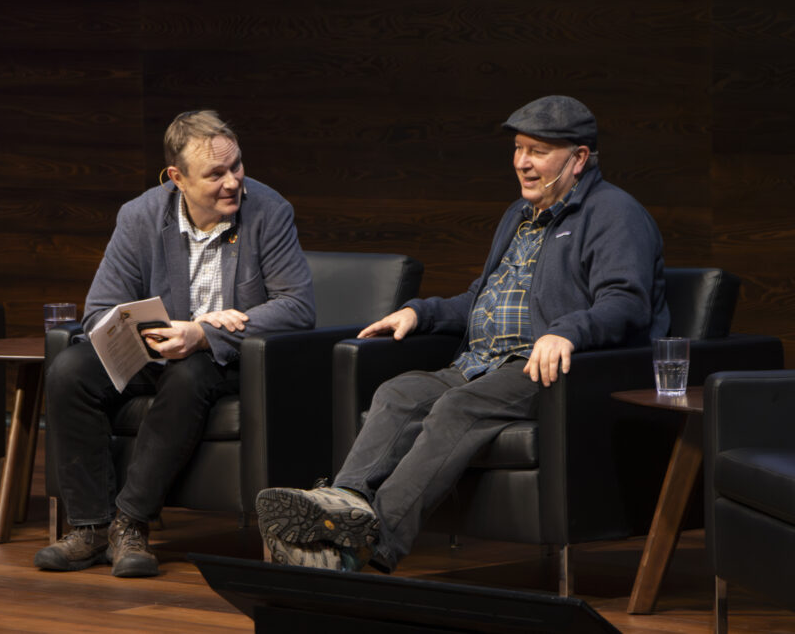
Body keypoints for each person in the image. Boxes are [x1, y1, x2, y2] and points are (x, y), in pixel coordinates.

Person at [255, 95, 669, 573]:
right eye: (518, 148)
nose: (522, 163)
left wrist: (567, 332)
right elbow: (482, 297)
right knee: (398, 392)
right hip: (482, 361)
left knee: (457, 407)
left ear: (578, 159)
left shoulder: (614, 214)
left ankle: (367, 545)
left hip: (550, 368)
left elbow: (626, 302)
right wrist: (419, 313)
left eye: (537, 151)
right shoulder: (519, 215)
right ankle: (341, 509)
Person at [36, 110, 315, 578]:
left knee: (188, 374)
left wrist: (205, 333)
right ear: (176, 178)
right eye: (215, 174)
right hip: (155, 349)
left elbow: (297, 308)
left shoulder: (270, 210)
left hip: (228, 357)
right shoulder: (140, 215)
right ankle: (88, 528)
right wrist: (163, 333)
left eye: (237, 166)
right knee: (68, 371)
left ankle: (130, 523)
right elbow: (100, 310)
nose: (233, 182)